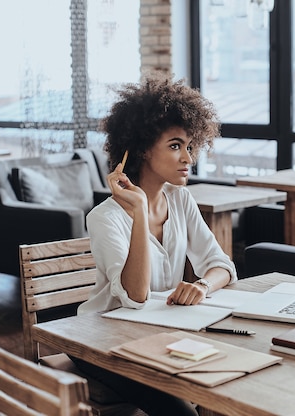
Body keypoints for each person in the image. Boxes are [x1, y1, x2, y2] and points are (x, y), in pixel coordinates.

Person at [74, 72, 237, 416]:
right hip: (100, 339)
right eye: (176, 146)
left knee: (230, 381)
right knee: (181, 412)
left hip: (159, 331)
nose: (188, 158)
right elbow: (134, 297)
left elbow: (222, 264)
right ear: (144, 149)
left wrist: (203, 286)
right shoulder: (105, 217)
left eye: (190, 147)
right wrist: (137, 213)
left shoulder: (181, 199)